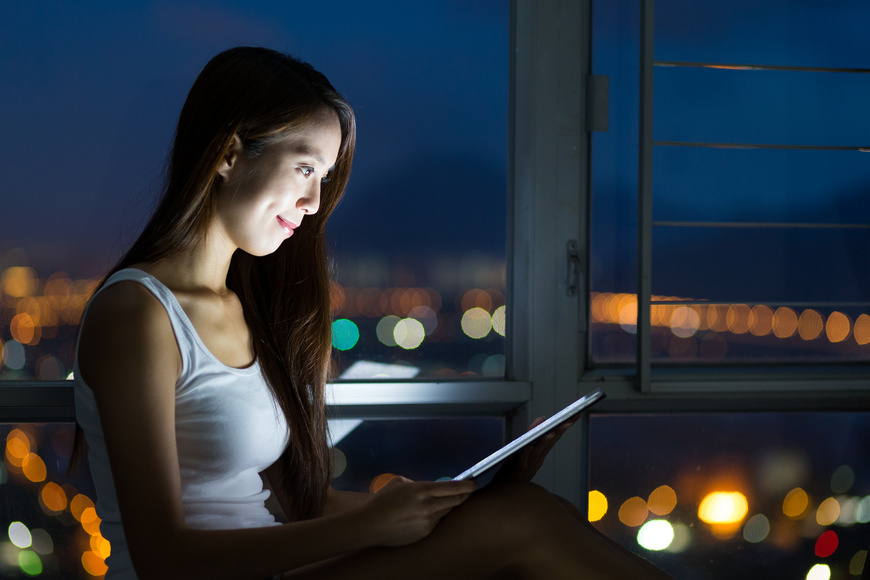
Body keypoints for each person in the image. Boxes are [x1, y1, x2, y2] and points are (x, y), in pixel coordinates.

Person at [73, 46, 673, 579]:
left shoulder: (246, 308)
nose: (313, 204)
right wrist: (372, 527)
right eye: (305, 169)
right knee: (523, 522)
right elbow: (163, 559)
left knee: (524, 512)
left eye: (324, 178)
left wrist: (448, 501)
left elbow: (304, 504)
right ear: (230, 153)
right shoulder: (139, 313)